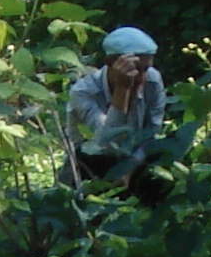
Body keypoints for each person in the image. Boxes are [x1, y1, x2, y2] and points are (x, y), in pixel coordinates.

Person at [68, 26, 168, 195]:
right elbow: (107, 143)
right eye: (136, 69)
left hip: (136, 158)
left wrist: (129, 169)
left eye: (146, 69)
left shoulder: (152, 80)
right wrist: (123, 90)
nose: (143, 77)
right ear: (111, 64)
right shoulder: (82, 93)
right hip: (90, 163)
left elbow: (152, 133)